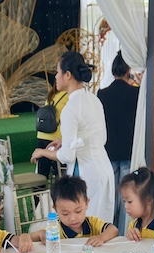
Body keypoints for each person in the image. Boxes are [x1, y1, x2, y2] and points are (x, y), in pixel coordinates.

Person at [30, 51, 115, 222]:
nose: (55, 76)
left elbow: (67, 156)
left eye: (57, 72)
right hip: (104, 169)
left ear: (67, 75)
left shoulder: (71, 107)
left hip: (87, 175)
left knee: (86, 228)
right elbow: (101, 138)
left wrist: (42, 152)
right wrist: (65, 141)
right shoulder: (93, 99)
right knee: (102, 226)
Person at [98, 51, 140, 232]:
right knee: (126, 197)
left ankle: (108, 230)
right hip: (129, 148)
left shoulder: (102, 94)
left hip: (108, 150)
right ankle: (122, 232)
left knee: (110, 196)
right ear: (128, 70)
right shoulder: (136, 93)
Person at [29, 177, 118, 245]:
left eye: (78, 211)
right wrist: (27, 237)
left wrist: (101, 237)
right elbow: (29, 237)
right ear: (55, 209)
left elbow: (113, 229)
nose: (72, 218)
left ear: (87, 204)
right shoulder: (55, 229)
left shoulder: (92, 223)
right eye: (65, 214)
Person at [36, 83, 69, 179]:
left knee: (42, 172)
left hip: (42, 135)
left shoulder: (51, 95)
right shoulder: (68, 96)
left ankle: (39, 188)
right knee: (60, 171)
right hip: (56, 138)